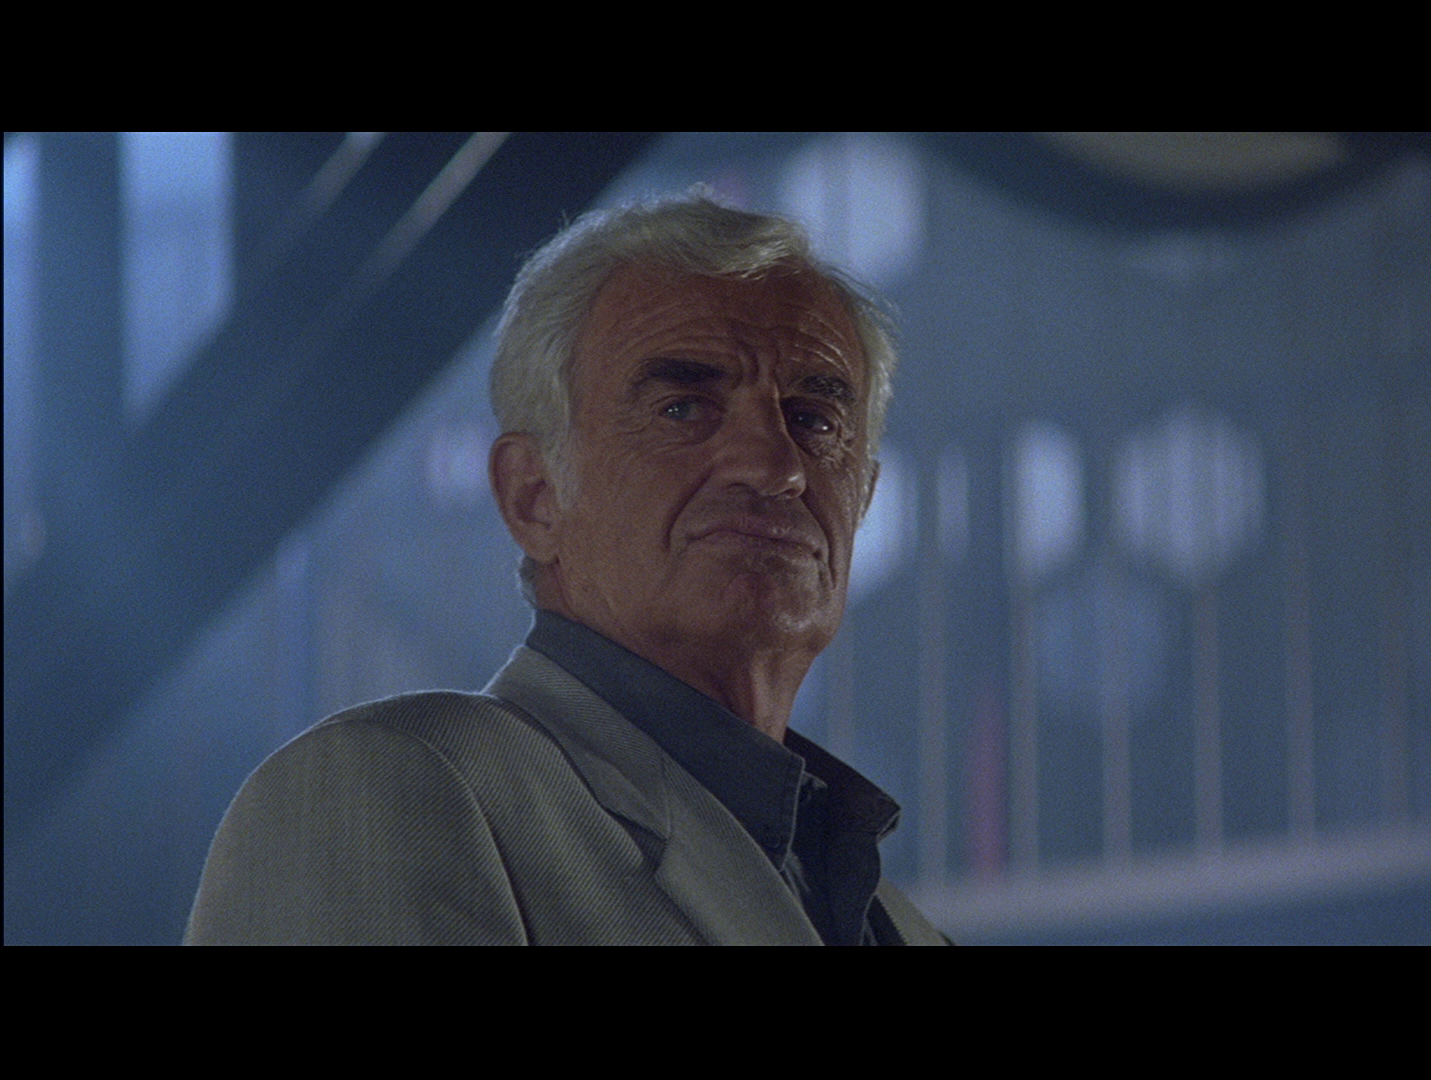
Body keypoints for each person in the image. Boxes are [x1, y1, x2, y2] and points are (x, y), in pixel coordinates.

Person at [186, 197, 948, 945]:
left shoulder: (894, 919)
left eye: (814, 421)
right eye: (684, 408)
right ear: (534, 496)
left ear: (862, 497)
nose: (776, 467)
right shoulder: (385, 789)